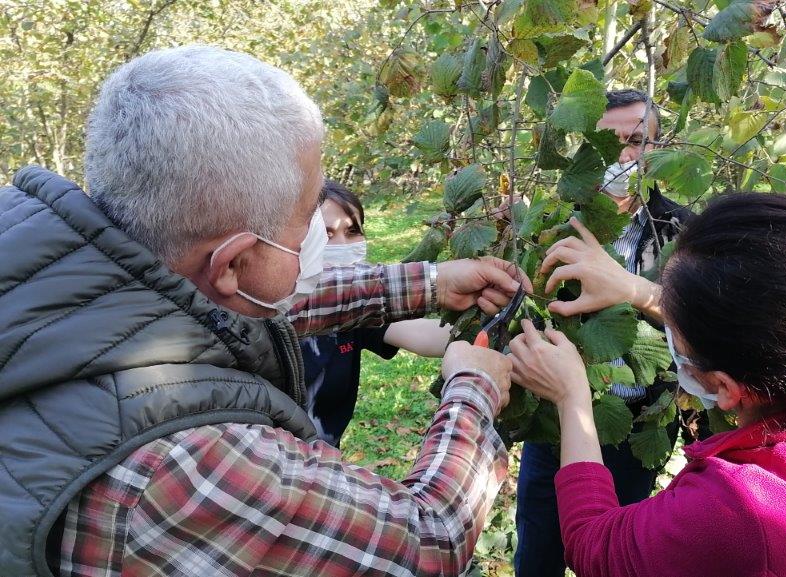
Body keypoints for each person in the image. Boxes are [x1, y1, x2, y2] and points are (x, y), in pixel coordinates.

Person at [0, 45, 533, 577]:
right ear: (233, 262)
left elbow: (224, 314)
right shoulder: (186, 465)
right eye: (308, 217)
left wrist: (431, 282)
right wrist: (473, 392)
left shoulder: (49, 270)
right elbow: (427, 543)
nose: (321, 237)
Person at [509, 193, 786, 577]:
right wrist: (638, 291)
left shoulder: (742, 509)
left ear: (725, 388)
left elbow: (596, 550)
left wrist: (572, 399)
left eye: (677, 337)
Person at [514, 89, 693, 577]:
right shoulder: (550, 224)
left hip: (637, 424)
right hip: (553, 423)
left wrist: (637, 295)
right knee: (538, 545)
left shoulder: (683, 232)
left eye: (635, 141)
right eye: (605, 143)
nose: (620, 156)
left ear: (656, 148)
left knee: (618, 550)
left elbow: (701, 325)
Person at [303, 179, 451, 444]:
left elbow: (427, 335)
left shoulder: (358, 311)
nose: (340, 244)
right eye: (325, 234)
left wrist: (495, 326)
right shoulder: (268, 308)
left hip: (325, 464)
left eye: (352, 232)